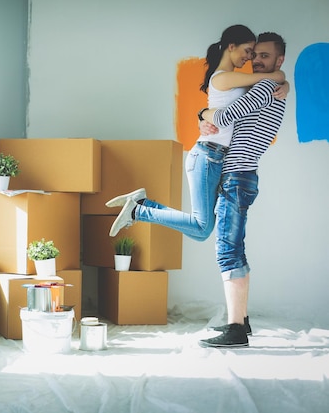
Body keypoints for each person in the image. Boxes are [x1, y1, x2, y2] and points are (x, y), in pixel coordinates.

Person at [107, 25, 286, 239]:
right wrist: (281, 77)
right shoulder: (222, 77)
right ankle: (139, 210)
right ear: (231, 47)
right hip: (207, 155)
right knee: (202, 229)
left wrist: (284, 82)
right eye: (248, 51)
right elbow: (264, 80)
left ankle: (141, 205)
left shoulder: (234, 79)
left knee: (202, 229)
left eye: (255, 54)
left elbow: (260, 86)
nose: (250, 58)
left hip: (214, 157)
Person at [197, 32, 287, 348]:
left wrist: (202, 114)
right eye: (256, 54)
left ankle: (235, 329)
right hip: (244, 176)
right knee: (236, 249)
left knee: (228, 251)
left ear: (279, 60)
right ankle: (242, 322)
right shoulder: (274, 87)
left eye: (265, 56)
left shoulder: (263, 87)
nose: (257, 60)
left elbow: (223, 117)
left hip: (236, 177)